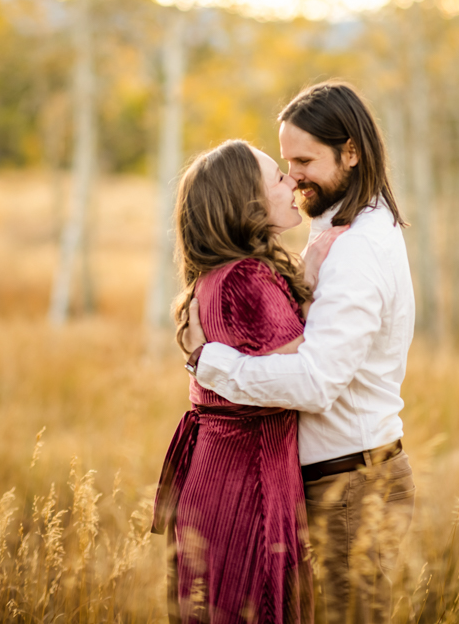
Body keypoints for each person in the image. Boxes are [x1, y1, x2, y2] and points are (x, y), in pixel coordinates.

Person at [185, 82, 416, 624]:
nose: (293, 178)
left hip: (350, 488)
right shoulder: (338, 227)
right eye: (285, 162)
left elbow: (316, 384)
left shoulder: (358, 249)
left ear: (352, 152)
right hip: (335, 482)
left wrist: (211, 363)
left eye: (305, 160)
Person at [152, 138, 345, 624]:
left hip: (224, 472)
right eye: (277, 177)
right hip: (247, 481)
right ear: (248, 203)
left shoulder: (222, 274)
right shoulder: (245, 279)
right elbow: (304, 370)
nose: (292, 181)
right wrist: (316, 284)